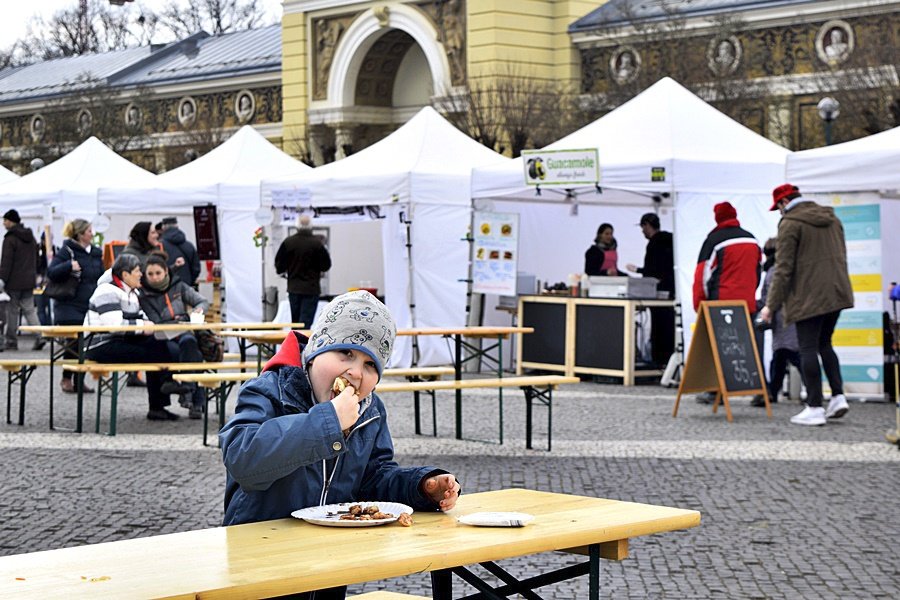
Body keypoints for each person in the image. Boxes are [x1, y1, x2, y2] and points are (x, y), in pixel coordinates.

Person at [219, 290, 461, 599]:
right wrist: (328, 422)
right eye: (345, 354)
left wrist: (423, 486)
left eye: (371, 365)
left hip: (329, 567)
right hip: (258, 566)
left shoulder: (370, 411)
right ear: (317, 350)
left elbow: (374, 478)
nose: (356, 373)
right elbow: (242, 458)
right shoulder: (269, 391)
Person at [759, 184, 854, 426]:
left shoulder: (790, 223)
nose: (779, 213)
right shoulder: (831, 218)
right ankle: (838, 396)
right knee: (825, 343)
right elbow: (841, 254)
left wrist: (770, 305)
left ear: (783, 203)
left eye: (778, 208)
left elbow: (783, 269)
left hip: (809, 295)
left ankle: (814, 407)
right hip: (837, 291)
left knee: (807, 348)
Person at [84, 254, 192, 421]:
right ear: (125, 274)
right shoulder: (106, 291)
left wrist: (148, 326)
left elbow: (142, 319)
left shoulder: (132, 293)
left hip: (119, 340)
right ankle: (164, 389)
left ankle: (161, 399)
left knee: (161, 343)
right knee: (153, 354)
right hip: (99, 345)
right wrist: (143, 327)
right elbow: (114, 325)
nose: (141, 274)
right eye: (137, 271)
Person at [692, 202, 762, 403]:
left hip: (721, 304)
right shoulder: (751, 239)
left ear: (717, 218)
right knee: (749, 347)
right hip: (747, 302)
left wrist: (700, 304)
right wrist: (750, 292)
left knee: (721, 348)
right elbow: (758, 271)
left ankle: (717, 392)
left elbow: (702, 275)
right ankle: (759, 390)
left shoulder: (714, 240)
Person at [139, 254, 209, 419]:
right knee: (194, 355)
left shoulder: (179, 286)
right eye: (150, 274)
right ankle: (194, 398)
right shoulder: (143, 294)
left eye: (158, 273)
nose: (154, 278)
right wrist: (172, 320)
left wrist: (198, 310)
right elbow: (154, 320)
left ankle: (187, 390)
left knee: (190, 343)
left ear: (165, 272)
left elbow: (202, 301)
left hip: (183, 332)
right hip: (162, 337)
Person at [46, 219, 104, 394]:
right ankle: (67, 377)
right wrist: (68, 266)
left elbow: (99, 276)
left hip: (90, 304)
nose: (92, 234)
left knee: (85, 343)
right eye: (88, 231)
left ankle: (79, 380)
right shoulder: (67, 251)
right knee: (74, 342)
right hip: (69, 304)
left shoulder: (95, 253)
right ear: (80, 234)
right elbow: (52, 272)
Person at [754, 237, 802, 407]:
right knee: (783, 357)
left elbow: (769, 298)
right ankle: (772, 392)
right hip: (794, 317)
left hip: (782, 320)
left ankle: (772, 393)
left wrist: (756, 306)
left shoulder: (773, 272)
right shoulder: (792, 268)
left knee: (789, 356)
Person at [626, 213, 675, 367]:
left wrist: (638, 270)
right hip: (672, 290)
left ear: (647, 225)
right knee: (668, 325)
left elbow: (652, 269)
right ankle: (668, 360)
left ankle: (658, 359)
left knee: (658, 326)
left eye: (642, 227)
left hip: (657, 291)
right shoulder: (672, 239)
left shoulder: (654, 243)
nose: (642, 231)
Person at [274, 215, 332, 327]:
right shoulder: (317, 244)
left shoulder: (288, 242)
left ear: (296, 226)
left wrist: (289, 269)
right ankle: (303, 344)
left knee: (295, 323)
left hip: (294, 288)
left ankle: (296, 343)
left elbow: (279, 266)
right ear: (311, 226)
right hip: (311, 288)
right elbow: (326, 265)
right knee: (306, 323)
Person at [0, 209, 41, 351]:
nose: (4, 223)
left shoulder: (10, 239)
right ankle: (40, 335)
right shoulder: (31, 237)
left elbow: (6, 262)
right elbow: (37, 257)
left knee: (12, 311)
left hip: (13, 282)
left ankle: (11, 340)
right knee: (30, 310)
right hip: (29, 280)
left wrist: (2, 280)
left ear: (11, 221)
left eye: (5, 220)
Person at [159, 217, 200, 287]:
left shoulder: (159, 246)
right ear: (177, 226)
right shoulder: (189, 245)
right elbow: (196, 268)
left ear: (163, 228)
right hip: (185, 286)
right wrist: (189, 281)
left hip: (166, 287)